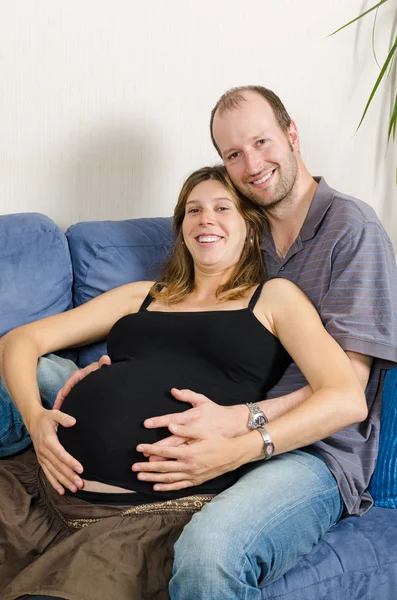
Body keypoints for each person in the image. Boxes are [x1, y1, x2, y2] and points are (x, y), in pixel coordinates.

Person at [51, 86, 397, 599]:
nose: (251, 163)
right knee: (42, 374)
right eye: (234, 154)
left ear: (292, 135)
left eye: (261, 142)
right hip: (217, 416)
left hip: (314, 453)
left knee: (210, 554)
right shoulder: (242, 230)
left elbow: (348, 391)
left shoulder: (351, 229)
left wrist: (244, 427)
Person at [0, 165, 365, 600]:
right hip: (44, 490)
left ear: (250, 228)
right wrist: (36, 418)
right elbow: (22, 340)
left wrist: (246, 444)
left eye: (221, 208)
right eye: (194, 209)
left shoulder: (274, 297)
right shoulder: (144, 295)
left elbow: (345, 397)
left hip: (147, 516)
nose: (205, 218)